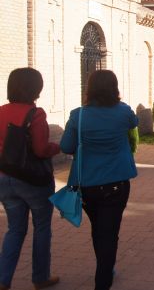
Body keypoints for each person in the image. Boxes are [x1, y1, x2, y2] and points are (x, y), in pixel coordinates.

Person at [59, 70, 138, 290]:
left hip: (88, 185)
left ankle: (105, 267)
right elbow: (134, 122)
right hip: (117, 183)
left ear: (89, 88)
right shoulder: (123, 112)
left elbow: (65, 146)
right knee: (109, 232)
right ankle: (103, 279)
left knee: (99, 228)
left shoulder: (79, 115)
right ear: (115, 88)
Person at [0, 68, 60, 290]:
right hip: (32, 181)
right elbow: (41, 149)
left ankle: (3, 280)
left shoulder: (1, 111)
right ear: (35, 88)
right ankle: (40, 277)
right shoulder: (36, 114)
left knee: (14, 229)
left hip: (5, 178)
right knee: (42, 227)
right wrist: (58, 147)